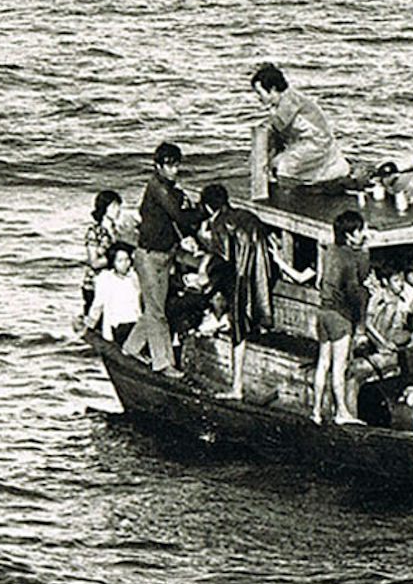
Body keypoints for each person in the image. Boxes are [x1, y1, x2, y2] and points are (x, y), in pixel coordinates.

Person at [122, 143, 199, 377]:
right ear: (158, 166)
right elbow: (179, 216)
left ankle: (131, 347)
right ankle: (163, 363)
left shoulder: (170, 188)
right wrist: (204, 210)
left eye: (176, 165)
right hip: (148, 257)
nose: (174, 170)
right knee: (157, 312)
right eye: (169, 165)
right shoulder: (158, 187)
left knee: (156, 308)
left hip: (164, 256)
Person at [198, 184, 277, 399]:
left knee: (238, 331)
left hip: (240, 279)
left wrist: (207, 282)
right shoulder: (246, 215)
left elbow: (223, 260)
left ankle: (236, 387)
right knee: (249, 319)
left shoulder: (220, 223)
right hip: (260, 274)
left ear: (208, 207)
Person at [251, 63, 351, 187]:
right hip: (307, 141)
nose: (259, 98)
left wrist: (268, 122)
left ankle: (288, 194)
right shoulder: (284, 100)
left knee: (284, 168)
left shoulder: (289, 100)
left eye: (260, 93)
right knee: (277, 163)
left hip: (316, 143)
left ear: (272, 89)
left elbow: (278, 125)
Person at [313, 210, 371, 425]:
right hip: (340, 316)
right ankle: (341, 412)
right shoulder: (350, 258)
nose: (363, 233)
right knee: (339, 366)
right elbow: (356, 288)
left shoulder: (331, 251)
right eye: (359, 230)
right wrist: (365, 251)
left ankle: (316, 411)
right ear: (349, 235)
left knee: (323, 363)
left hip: (323, 313)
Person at [75, 242, 140, 347]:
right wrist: (90, 324)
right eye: (120, 261)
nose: (125, 264)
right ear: (113, 262)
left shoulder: (134, 277)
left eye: (127, 260)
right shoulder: (106, 279)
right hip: (118, 325)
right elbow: (98, 304)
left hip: (135, 323)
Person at [82, 189, 123, 314]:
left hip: (113, 282)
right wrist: (113, 258)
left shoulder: (117, 231)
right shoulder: (94, 232)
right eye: (114, 206)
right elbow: (93, 262)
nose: (118, 210)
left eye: (119, 206)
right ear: (104, 208)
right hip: (95, 284)